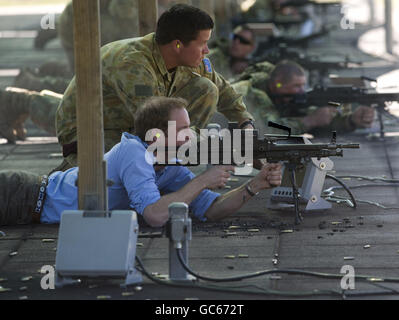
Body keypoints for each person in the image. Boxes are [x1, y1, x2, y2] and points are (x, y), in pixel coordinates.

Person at [0, 97, 282, 227]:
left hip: (29, 206)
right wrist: (203, 180)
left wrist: (254, 186)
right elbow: (155, 216)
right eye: (182, 129)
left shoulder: (168, 163)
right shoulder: (135, 154)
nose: (190, 135)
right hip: (22, 195)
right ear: (157, 135)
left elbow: (211, 210)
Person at [55, 4, 255, 172]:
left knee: (207, 89)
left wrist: (245, 123)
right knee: (118, 174)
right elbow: (152, 126)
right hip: (90, 130)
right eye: (202, 43)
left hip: (132, 124)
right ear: (178, 45)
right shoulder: (133, 65)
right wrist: (213, 144)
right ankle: (74, 168)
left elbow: (223, 89)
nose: (207, 50)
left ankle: (167, 164)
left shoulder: (185, 57)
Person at [231, 60, 375, 135]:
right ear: (277, 84)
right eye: (296, 86)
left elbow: (315, 122)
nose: (301, 91)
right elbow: (267, 132)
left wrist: (350, 120)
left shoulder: (285, 98)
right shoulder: (252, 94)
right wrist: (309, 121)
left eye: (303, 85)